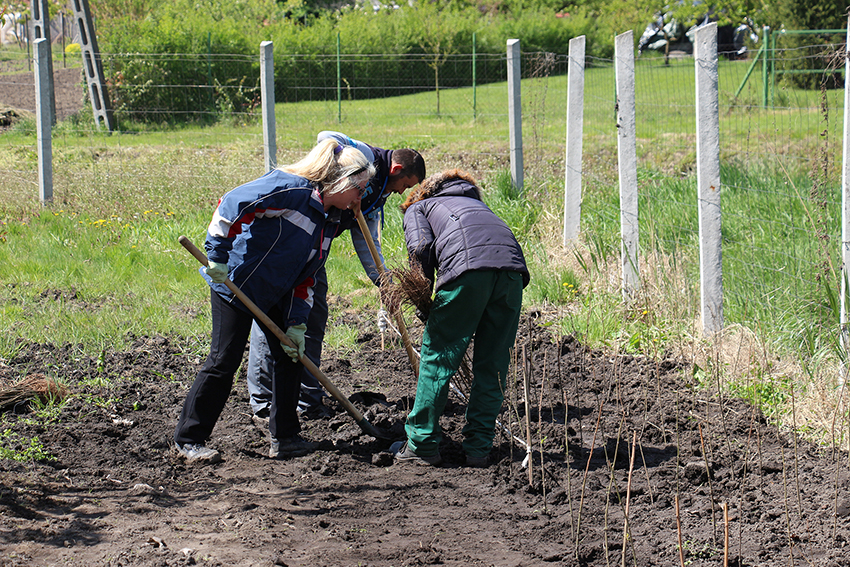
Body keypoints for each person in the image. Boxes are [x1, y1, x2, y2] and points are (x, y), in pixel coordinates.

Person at [173, 139, 377, 464]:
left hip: (278, 293)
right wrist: (217, 255)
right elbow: (232, 205)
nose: (361, 197)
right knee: (224, 360)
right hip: (237, 282)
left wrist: (297, 323)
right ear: (342, 182)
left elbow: (308, 276)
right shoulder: (292, 191)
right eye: (360, 188)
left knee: (292, 357)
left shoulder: (331, 220)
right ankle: (189, 439)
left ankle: (285, 438)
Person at [246, 131, 426, 425]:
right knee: (271, 320)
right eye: (404, 185)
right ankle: (264, 402)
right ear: (396, 170)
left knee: (312, 318)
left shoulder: (376, 194)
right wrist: (340, 167)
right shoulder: (364, 158)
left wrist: (384, 283)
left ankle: (306, 400)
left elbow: (367, 243)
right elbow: (325, 136)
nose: (400, 193)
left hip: (315, 250)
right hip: (286, 241)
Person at [390, 169, 530, 467]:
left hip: (468, 274)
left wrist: (424, 297)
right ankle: (478, 447)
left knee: (438, 357)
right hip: (512, 276)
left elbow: (420, 247)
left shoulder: (419, 206)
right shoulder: (479, 206)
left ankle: (422, 443)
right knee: (492, 364)